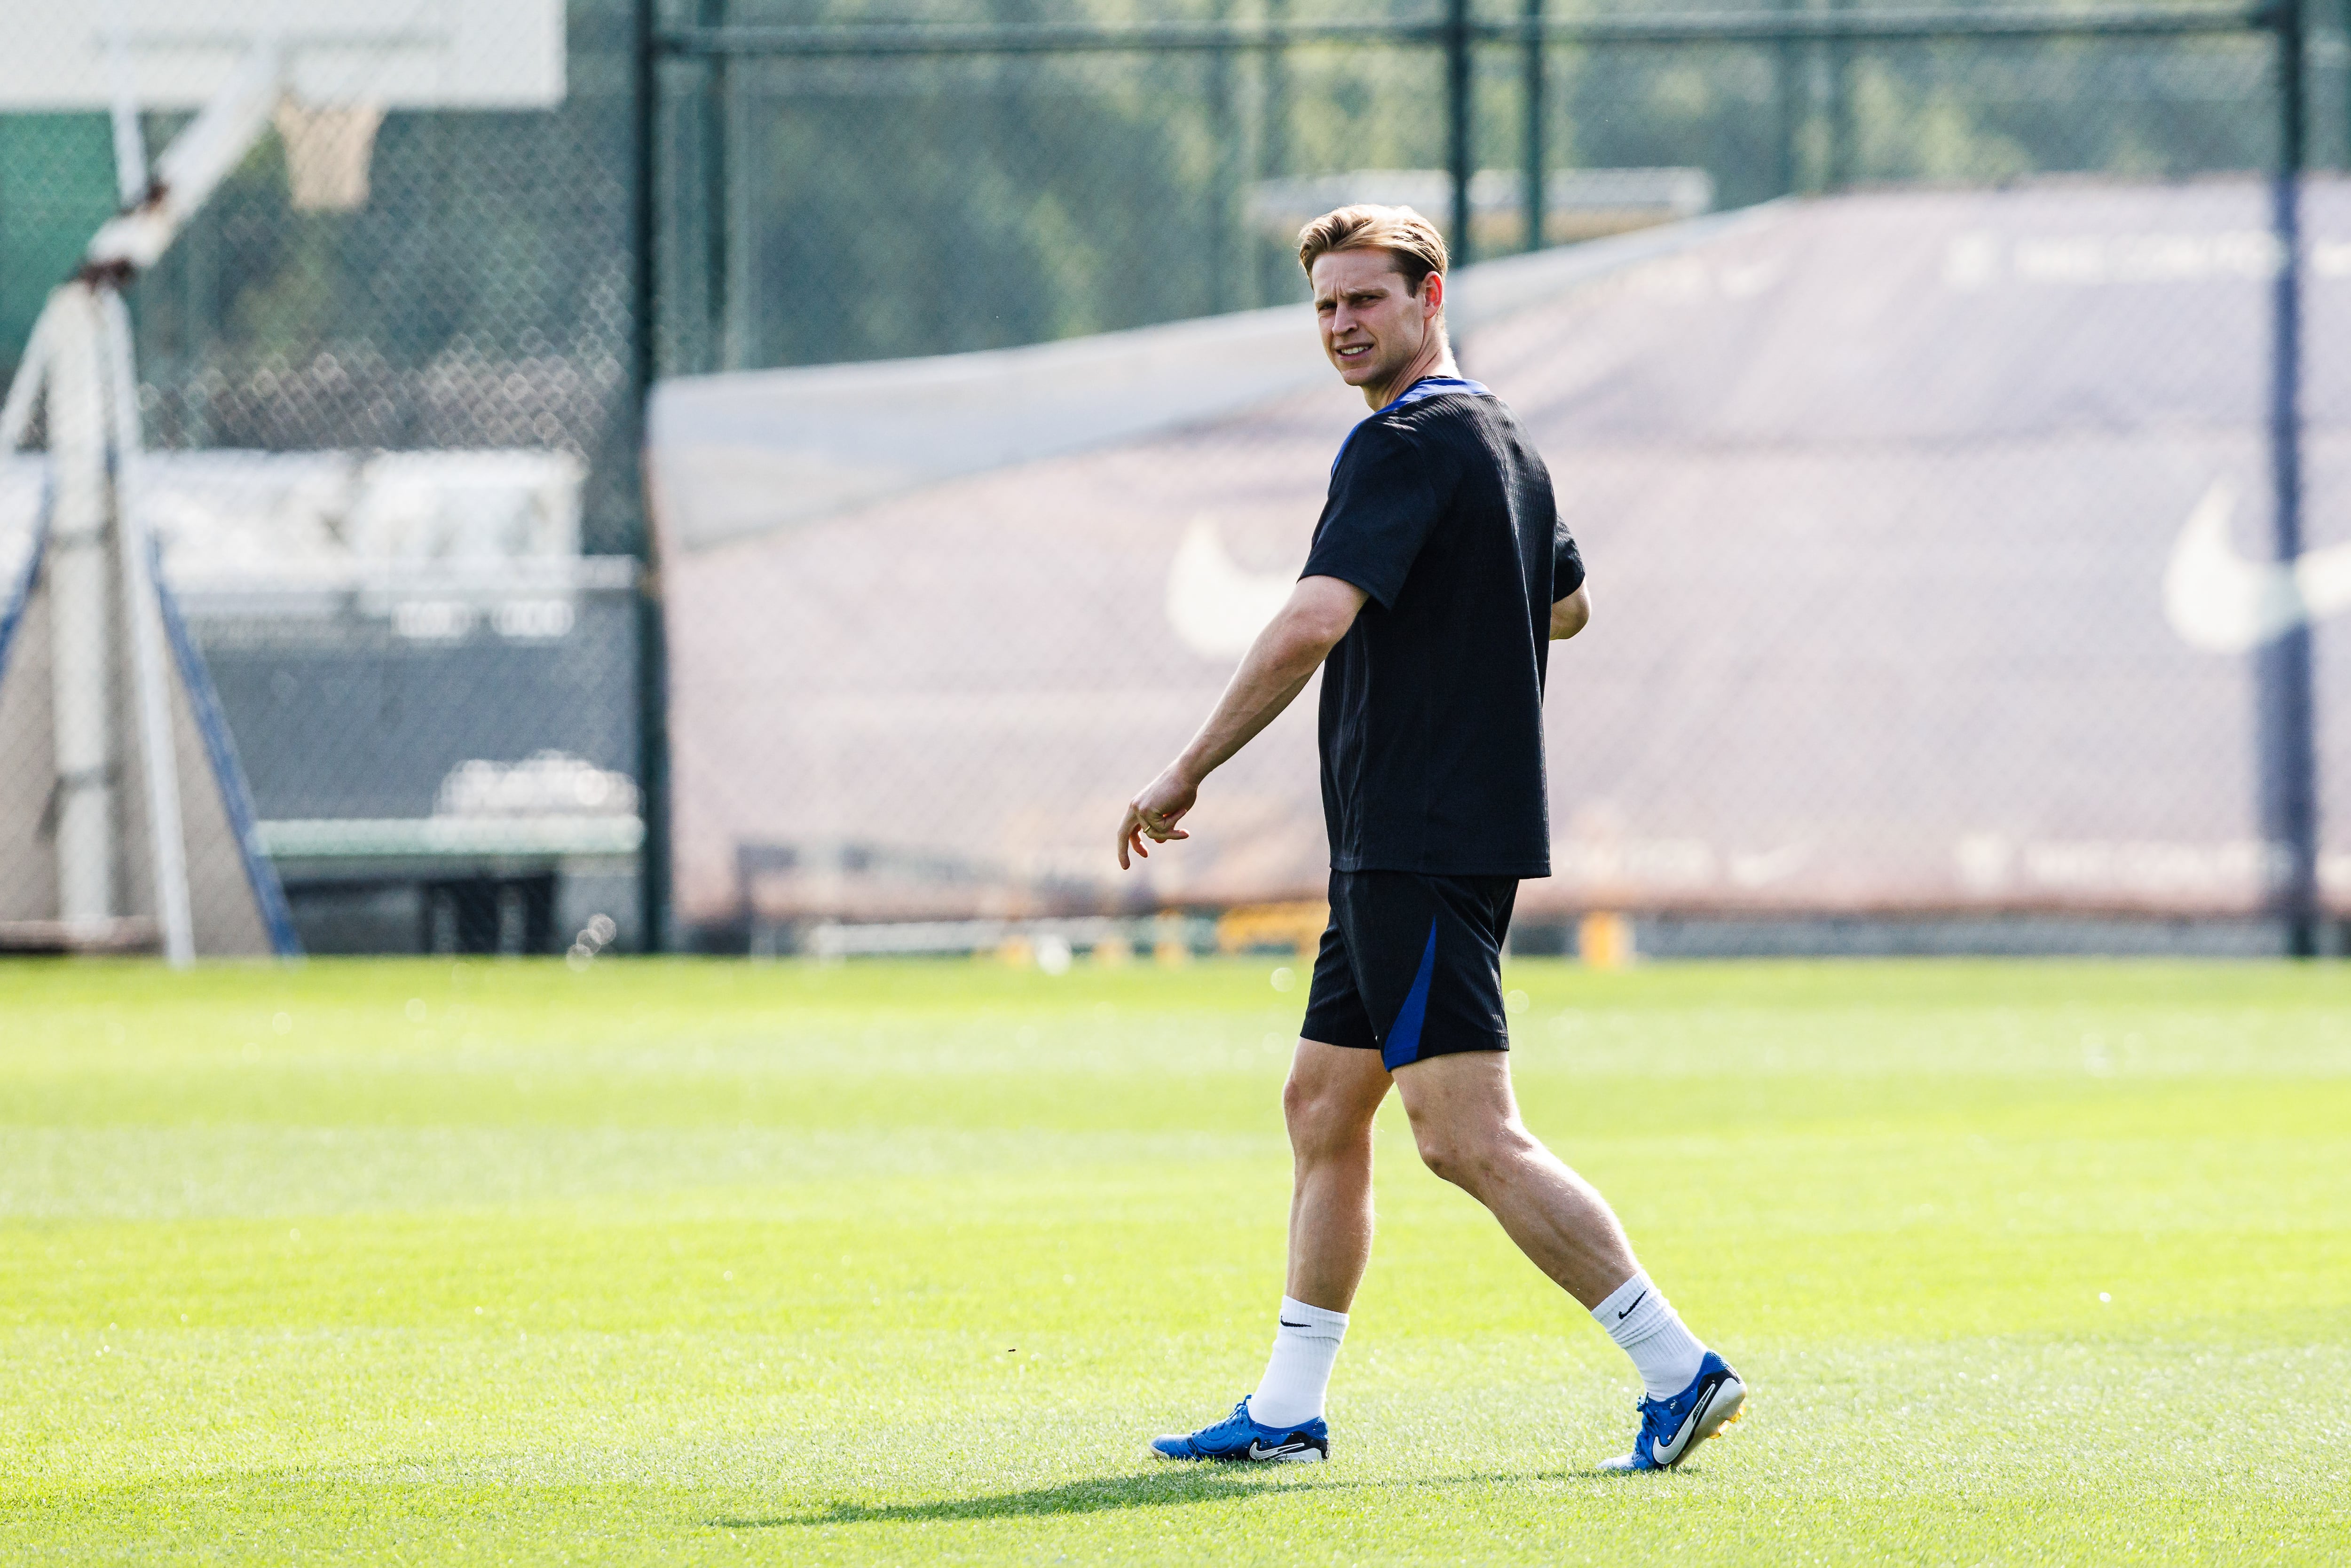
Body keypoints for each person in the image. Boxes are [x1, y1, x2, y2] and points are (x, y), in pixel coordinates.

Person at [1115, 205, 1743, 1473]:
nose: (1343, 327)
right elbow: (1566, 608)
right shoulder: (1502, 436)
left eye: (1365, 301)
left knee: (1465, 1134)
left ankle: (1679, 1367)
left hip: (1418, 833)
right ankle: (1289, 1412)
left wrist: (1186, 770)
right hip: (1416, 838)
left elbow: (1307, 625)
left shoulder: (1406, 444)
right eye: (1326, 308)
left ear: (1429, 294)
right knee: (1321, 1105)